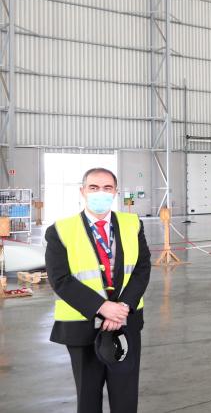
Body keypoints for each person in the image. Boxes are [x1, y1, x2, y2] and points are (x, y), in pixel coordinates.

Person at [45, 167, 152, 413]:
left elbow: (142, 268)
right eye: (93, 188)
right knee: (88, 398)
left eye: (107, 188)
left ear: (115, 192)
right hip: (82, 326)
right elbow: (60, 279)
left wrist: (122, 308)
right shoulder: (60, 230)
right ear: (82, 191)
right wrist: (103, 308)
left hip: (126, 323)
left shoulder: (132, 224)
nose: (100, 193)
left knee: (125, 397)